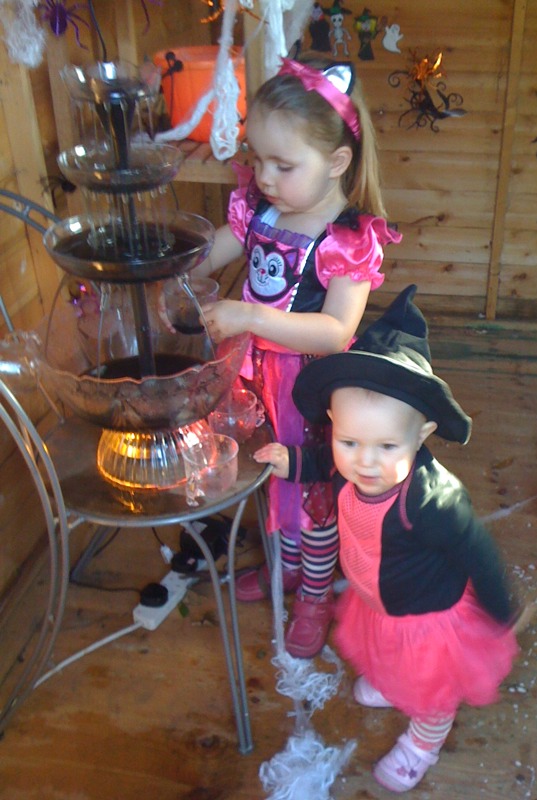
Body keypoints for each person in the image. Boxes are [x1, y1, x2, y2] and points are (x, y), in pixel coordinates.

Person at [253, 285, 522, 793]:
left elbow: (478, 552)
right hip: (377, 597)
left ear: (421, 435)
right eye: (349, 441)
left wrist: (500, 612)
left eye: (387, 446)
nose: (365, 462)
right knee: (382, 649)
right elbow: (325, 463)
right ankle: (393, 679)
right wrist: (293, 461)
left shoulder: (433, 501)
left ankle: (423, 741)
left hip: (424, 617)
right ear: (333, 425)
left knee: (431, 689)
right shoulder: (351, 461)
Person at [195, 52, 402, 659]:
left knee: (310, 493)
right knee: (267, 471)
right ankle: (284, 568)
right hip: (253, 376)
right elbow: (208, 253)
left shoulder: (347, 239)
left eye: (283, 165)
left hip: (310, 387)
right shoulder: (261, 210)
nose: (264, 176)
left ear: (336, 162)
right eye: (257, 159)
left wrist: (251, 316)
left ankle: (314, 593)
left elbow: (336, 331)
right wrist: (170, 265)